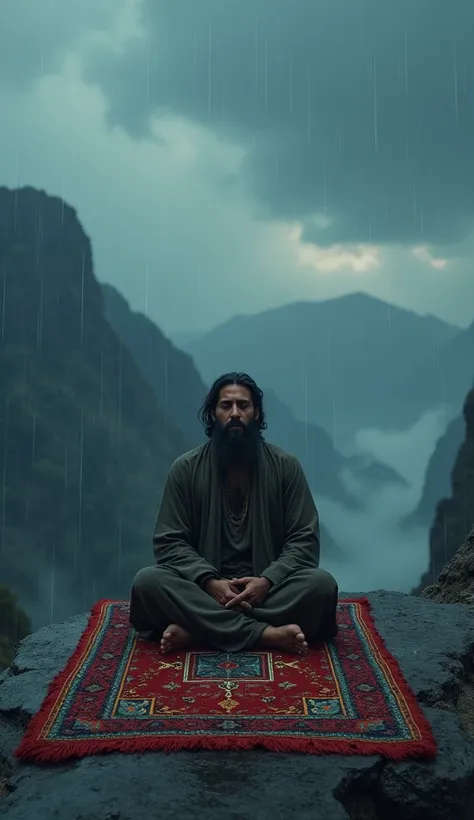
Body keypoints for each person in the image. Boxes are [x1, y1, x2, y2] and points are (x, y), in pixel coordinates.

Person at [129, 372, 338, 656]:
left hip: (267, 590)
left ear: (257, 413)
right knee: (147, 582)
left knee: (322, 586)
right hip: (204, 590)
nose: (236, 413)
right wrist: (210, 582)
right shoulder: (186, 469)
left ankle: (198, 628)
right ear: (212, 414)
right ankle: (267, 634)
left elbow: (304, 540)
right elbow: (169, 542)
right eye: (226, 406)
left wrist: (266, 581)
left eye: (244, 405)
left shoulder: (286, 467)